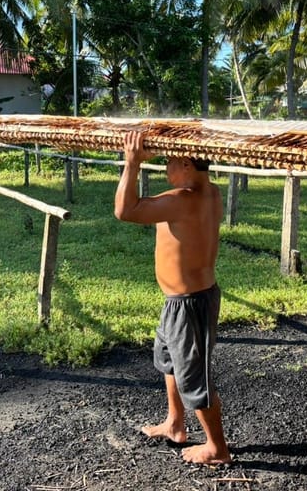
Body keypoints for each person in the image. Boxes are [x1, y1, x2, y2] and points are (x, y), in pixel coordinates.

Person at [114, 130, 231, 465]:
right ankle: (175, 424)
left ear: (184, 162)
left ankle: (217, 448)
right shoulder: (210, 193)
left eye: (167, 161)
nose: (165, 167)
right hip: (180, 301)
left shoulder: (183, 199)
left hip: (190, 303)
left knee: (194, 377)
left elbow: (125, 210)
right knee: (169, 361)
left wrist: (132, 163)